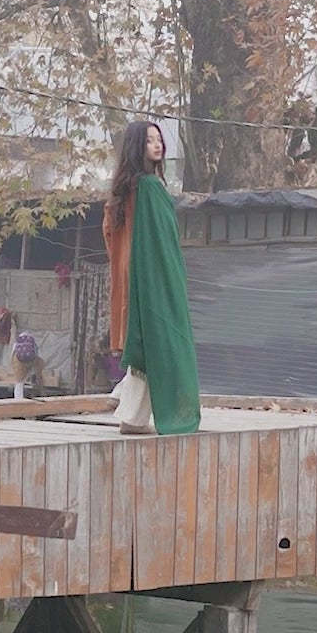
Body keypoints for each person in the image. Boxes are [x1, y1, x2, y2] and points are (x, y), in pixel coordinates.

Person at [102, 120, 200, 435]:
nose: (157, 145)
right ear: (136, 147)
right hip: (154, 279)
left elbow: (112, 235)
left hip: (133, 278)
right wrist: (169, 279)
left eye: (158, 140)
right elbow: (164, 244)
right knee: (160, 342)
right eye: (149, 141)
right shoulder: (150, 188)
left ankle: (131, 412)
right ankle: (132, 414)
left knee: (144, 342)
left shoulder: (124, 190)